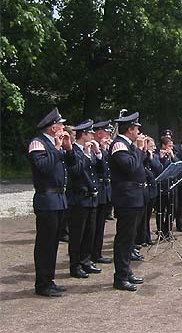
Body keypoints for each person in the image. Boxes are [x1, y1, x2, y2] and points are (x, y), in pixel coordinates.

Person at [28, 107, 77, 297]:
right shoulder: (38, 144)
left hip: (59, 198)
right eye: (61, 124)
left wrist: (68, 148)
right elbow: (44, 168)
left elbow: (72, 165)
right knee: (45, 244)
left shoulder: (56, 145)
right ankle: (42, 284)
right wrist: (57, 148)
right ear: (52, 127)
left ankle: (50, 279)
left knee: (54, 243)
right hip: (46, 198)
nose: (64, 127)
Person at [109, 111, 146, 291]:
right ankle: (120, 277)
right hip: (126, 197)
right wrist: (138, 149)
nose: (139, 131)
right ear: (130, 129)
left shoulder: (129, 144)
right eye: (137, 128)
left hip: (135, 196)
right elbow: (129, 166)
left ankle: (126, 270)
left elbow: (140, 164)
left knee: (131, 238)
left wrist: (140, 150)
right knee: (124, 238)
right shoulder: (119, 145)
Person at [67, 120, 104, 279]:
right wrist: (87, 155)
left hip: (92, 197)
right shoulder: (74, 151)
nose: (92, 135)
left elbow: (101, 171)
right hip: (78, 198)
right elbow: (75, 171)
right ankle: (75, 265)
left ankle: (86, 260)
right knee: (77, 234)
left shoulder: (90, 150)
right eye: (90, 133)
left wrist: (98, 153)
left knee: (90, 232)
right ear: (84, 135)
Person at [91, 120, 113, 264]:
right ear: (99, 133)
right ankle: (91, 254)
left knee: (100, 225)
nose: (109, 135)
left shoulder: (103, 147)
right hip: (96, 188)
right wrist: (102, 151)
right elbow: (99, 168)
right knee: (93, 226)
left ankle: (97, 253)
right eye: (107, 132)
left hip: (105, 189)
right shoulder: (92, 147)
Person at [157, 133, 179, 236]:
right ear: (163, 145)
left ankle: (168, 229)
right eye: (169, 146)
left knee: (172, 210)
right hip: (162, 186)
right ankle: (161, 230)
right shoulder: (158, 155)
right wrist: (161, 158)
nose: (171, 148)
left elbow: (178, 164)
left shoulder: (172, 155)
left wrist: (173, 156)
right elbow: (158, 169)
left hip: (172, 185)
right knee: (161, 210)